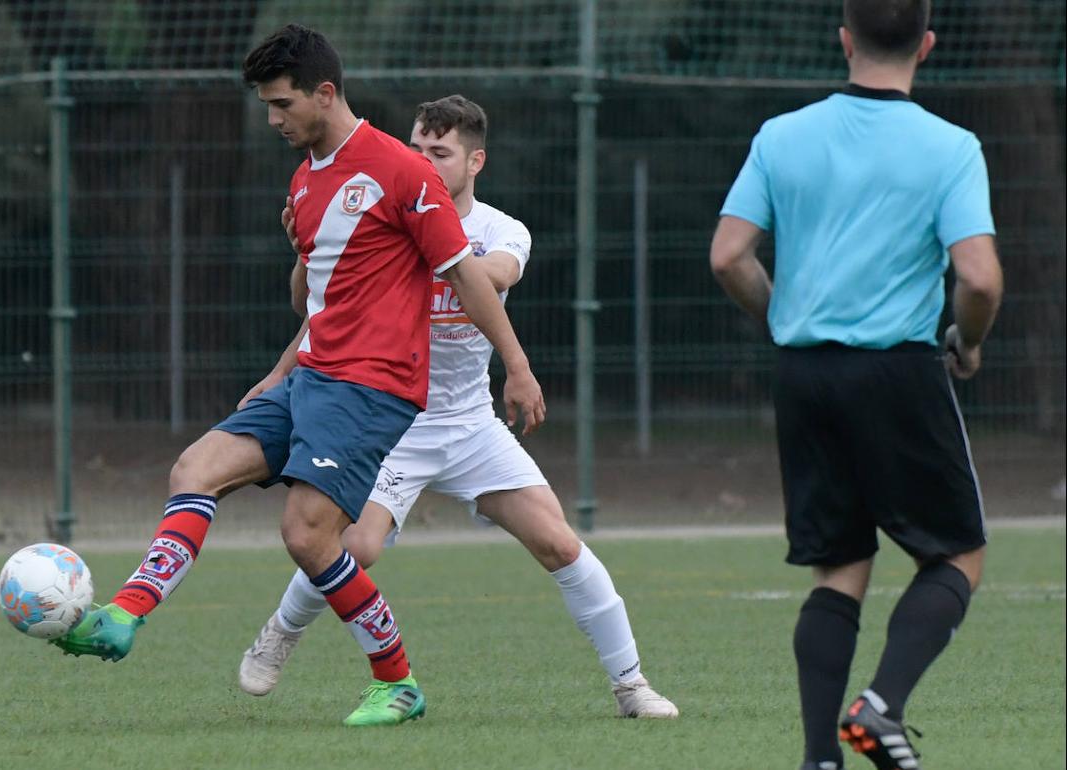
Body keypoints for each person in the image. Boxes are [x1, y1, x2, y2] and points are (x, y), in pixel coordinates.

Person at [52, 25, 546, 728]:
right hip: (311, 375)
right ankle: (124, 616)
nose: (273, 119)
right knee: (197, 467)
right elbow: (313, 296)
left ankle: (397, 682)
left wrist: (519, 369)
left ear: (325, 92)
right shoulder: (307, 177)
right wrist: (278, 368)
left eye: (282, 104)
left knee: (307, 536)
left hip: (373, 387)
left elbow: (465, 276)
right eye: (267, 106)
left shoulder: (400, 170)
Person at [235, 95, 678, 719]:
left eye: (439, 153)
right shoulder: (384, 217)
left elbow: (494, 273)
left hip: (471, 425)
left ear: (475, 161)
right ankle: (282, 630)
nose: (423, 161)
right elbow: (315, 308)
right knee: (353, 547)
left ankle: (632, 686)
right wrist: (306, 264)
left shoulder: (500, 229)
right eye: (416, 148)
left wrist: (437, 256)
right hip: (392, 418)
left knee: (559, 543)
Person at [710, 2, 1003, 768]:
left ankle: (818, 759)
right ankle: (880, 707)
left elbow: (728, 255)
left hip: (804, 377)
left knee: (839, 566)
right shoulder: (950, 146)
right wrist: (967, 341)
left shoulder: (782, 136)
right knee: (957, 555)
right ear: (927, 45)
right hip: (898, 370)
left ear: (844, 40)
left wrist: (784, 317)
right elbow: (978, 276)